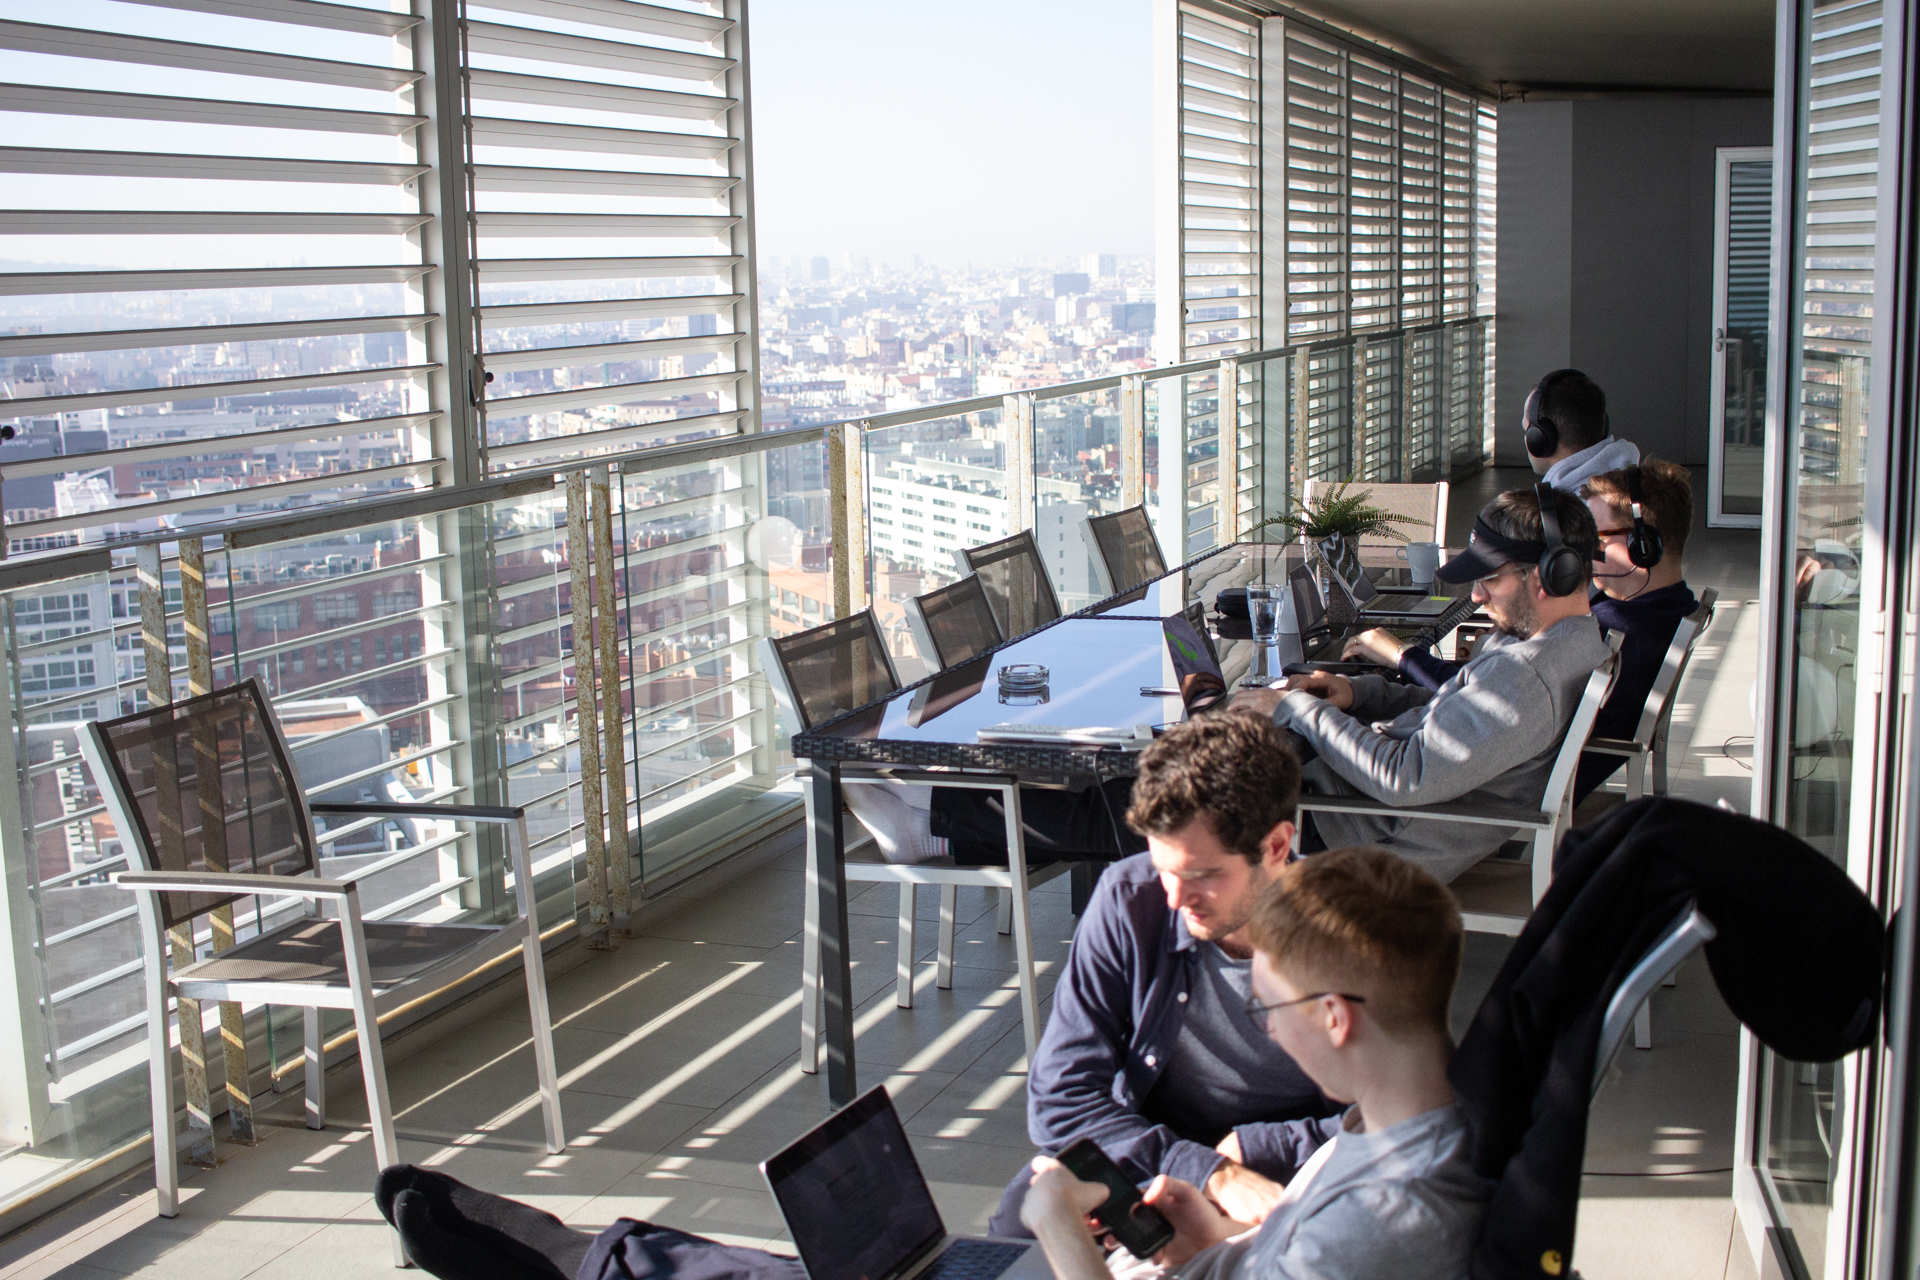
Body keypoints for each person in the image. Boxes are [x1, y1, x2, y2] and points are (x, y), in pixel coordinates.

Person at [1020, 847, 1492, 1280]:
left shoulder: (1381, 1218)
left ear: (1333, 1018)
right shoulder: (1381, 1131)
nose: (1270, 1030)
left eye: (1268, 1007)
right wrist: (1208, 1247)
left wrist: (1057, 1223)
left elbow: (1333, 1251)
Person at [988, 712, 1344, 1240]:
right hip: (1149, 1152)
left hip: (1295, 1166)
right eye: (1163, 869)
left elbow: (1403, 1116)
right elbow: (1060, 1097)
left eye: (1201, 875)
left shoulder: (1352, 933)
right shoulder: (1130, 900)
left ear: (1275, 846)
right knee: (1017, 1234)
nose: (1176, 899)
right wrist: (1205, 1171)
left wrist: (1258, 1151)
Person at [1235, 487, 1613, 883]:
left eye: (1489, 579)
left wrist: (1298, 709)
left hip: (1352, 834)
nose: (1476, 594)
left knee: (1201, 791)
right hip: (1362, 808)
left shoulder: (1528, 677)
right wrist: (1361, 694)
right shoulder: (1567, 642)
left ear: (1549, 575)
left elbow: (1403, 778)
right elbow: (1456, 708)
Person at [1344, 460, 1699, 804]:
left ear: (1643, 545)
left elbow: (1504, 699)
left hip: (1500, 780)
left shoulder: (1624, 631)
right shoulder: (1660, 611)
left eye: (1598, 537)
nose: (1580, 551)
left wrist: (1403, 656)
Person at [1522, 368, 1639, 494]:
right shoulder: (1640, 488)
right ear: (1604, 426)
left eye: (1527, 430)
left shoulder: (1561, 510)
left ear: (1540, 438)